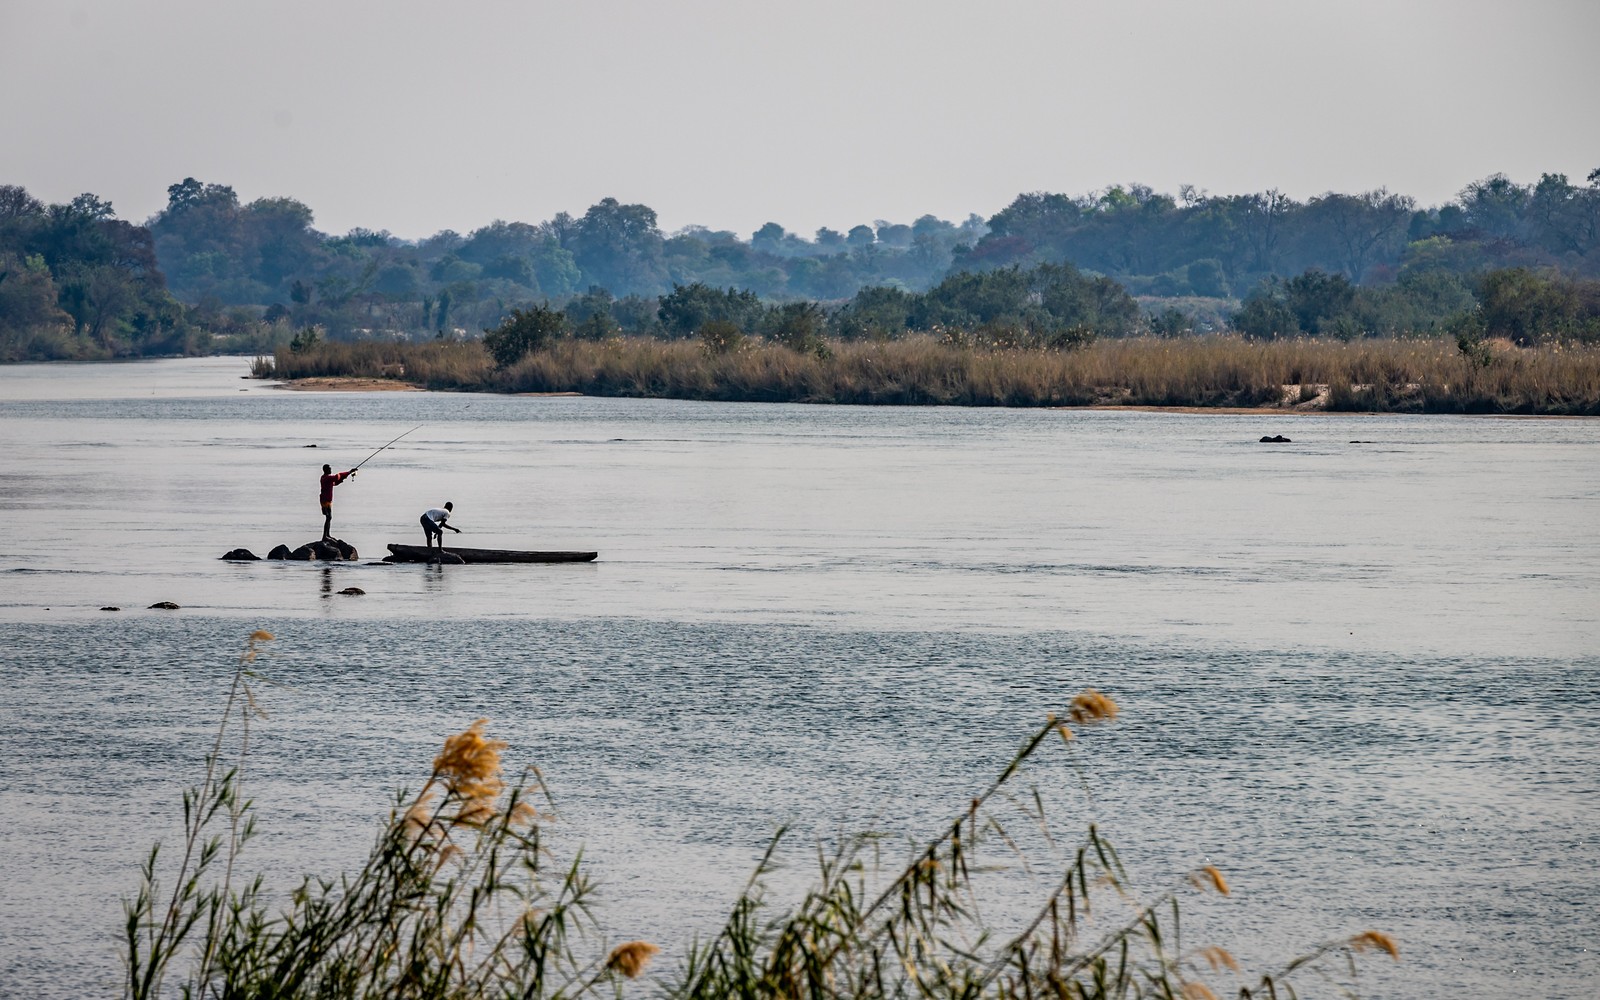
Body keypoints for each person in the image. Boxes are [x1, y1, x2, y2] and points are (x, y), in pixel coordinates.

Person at [319, 464, 357, 540]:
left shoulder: (325, 478)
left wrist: (341, 480)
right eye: (329, 469)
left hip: (327, 500)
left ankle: (327, 534)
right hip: (325, 500)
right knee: (328, 517)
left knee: (329, 518)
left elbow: (334, 483)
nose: (331, 470)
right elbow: (337, 476)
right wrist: (349, 472)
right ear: (325, 470)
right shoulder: (326, 477)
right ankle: (325, 536)